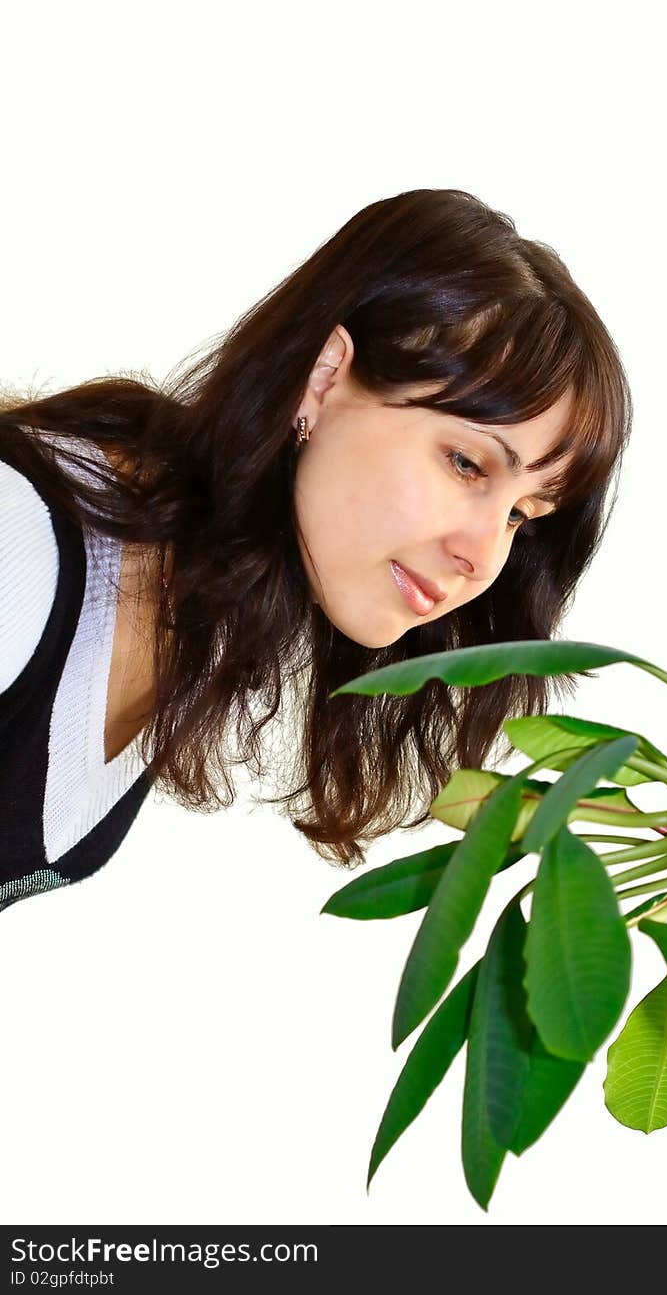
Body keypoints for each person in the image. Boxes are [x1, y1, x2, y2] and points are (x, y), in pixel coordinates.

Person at [0, 187, 633, 917]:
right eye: (466, 465)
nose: (482, 556)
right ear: (323, 377)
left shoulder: (200, 605)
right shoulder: (22, 545)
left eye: (523, 515)